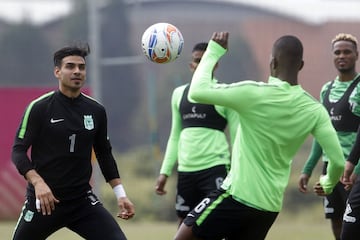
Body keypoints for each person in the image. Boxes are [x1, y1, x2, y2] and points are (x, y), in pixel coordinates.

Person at [173, 32, 345, 240]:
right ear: (301, 65)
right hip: (268, 208)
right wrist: (327, 183)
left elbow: (197, 92)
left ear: (272, 63)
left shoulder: (253, 93)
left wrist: (214, 51)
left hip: (235, 197)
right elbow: (337, 161)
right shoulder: (315, 110)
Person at [11, 43, 135, 240]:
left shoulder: (96, 111)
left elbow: (104, 154)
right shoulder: (39, 108)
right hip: (45, 201)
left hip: (81, 202)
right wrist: (38, 183)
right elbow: (18, 151)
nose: (77, 71)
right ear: (57, 72)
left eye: (81, 67)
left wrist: (121, 194)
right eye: (70, 66)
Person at [155, 42, 238, 226]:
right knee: (184, 222)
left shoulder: (224, 93)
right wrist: (165, 172)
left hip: (215, 167)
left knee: (215, 221)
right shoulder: (178, 94)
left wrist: (236, 172)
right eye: (197, 61)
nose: (201, 65)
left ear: (215, 64)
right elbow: (175, 136)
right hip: (186, 171)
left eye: (206, 61)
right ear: (191, 65)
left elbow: (237, 138)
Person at [298, 33, 360, 240]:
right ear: (332, 57)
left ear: (356, 55)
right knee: (335, 221)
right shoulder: (326, 89)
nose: (342, 56)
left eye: (347, 52)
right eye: (337, 52)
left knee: (353, 222)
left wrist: (356, 170)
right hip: (330, 169)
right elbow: (321, 134)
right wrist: (307, 169)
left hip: (354, 170)